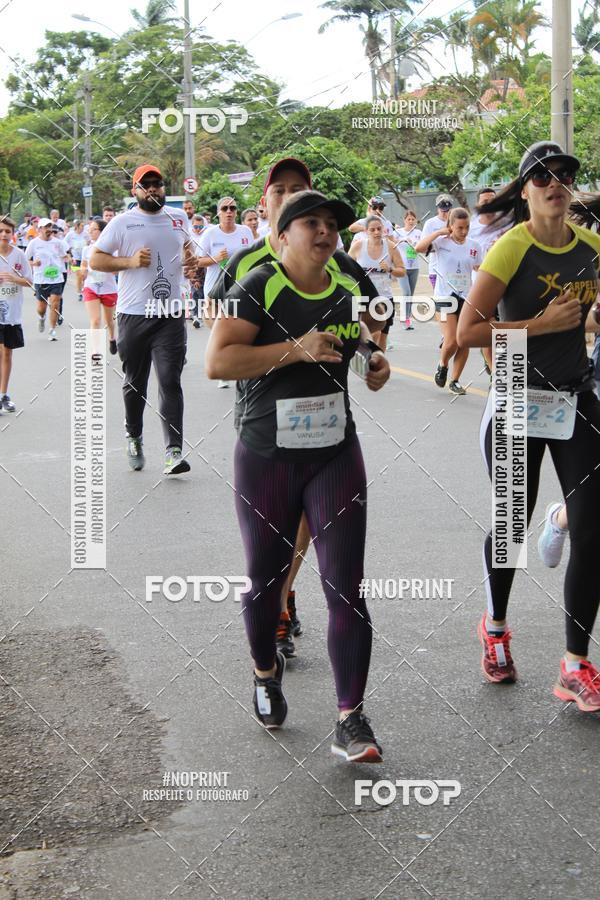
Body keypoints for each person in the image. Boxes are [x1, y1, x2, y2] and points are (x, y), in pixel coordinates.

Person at [205, 190, 390, 761]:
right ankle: (265, 673)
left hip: (335, 451)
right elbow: (218, 362)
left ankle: (351, 718)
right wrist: (294, 349)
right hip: (267, 457)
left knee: (345, 585)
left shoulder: (347, 287)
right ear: (282, 236)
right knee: (265, 581)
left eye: (331, 224)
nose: (324, 232)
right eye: (310, 223)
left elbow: (359, 345)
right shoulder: (257, 287)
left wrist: (372, 363)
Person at [457, 141, 600, 711]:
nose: (554, 182)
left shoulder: (592, 247)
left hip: (575, 399)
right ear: (525, 190)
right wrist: (541, 325)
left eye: (564, 174)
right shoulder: (510, 248)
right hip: (518, 396)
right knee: (512, 531)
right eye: (541, 175)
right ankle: (494, 629)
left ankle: (574, 664)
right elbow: (468, 332)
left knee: (592, 527)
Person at [90, 163, 196, 475]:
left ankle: (173, 451)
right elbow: (96, 259)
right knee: (135, 384)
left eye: (157, 183)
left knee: (170, 380)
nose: (153, 188)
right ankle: (134, 436)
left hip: (170, 315)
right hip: (133, 315)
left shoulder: (179, 218)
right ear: (135, 190)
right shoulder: (123, 223)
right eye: (145, 184)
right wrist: (130, 261)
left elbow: (188, 248)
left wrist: (190, 263)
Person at [416, 207, 481, 394]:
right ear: (451, 226)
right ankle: (442, 364)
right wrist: (438, 233)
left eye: (467, 227)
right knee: (452, 340)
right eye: (459, 227)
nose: (464, 231)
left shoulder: (474, 246)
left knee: (464, 341)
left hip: (466, 297)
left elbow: (480, 269)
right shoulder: (441, 243)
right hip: (445, 297)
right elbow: (418, 249)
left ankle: (455, 380)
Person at [195, 196, 253, 388]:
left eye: (233, 208)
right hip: (214, 288)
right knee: (219, 328)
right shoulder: (210, 234)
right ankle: (222, 370)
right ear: (218, 212)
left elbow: (252, 258)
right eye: (225, 208)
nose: (229, 211)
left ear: (236, 212)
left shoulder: (245, 232)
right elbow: (197, 261)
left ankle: (237, 367)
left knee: (238, 328)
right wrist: (214, 259)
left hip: (240, 287)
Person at [349, 215, 405, 351]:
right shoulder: (358, 246)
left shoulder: (390, 247)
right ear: (366, 231)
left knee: (382, 336)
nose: (376, 232)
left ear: (384, 230)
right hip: (364, 298)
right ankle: (368, 360)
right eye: (372, 230)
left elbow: (402, 271)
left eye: (379, 229)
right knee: (374, 333)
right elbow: (345, 268)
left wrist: (390, 269)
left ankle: (378, 363)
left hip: (385, 297)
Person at [0, 215, 32, 412]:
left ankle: (4, 395)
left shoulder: (19, 254)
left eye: (7, 231)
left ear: (13, 234)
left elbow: (29, 281)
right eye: (1, 231)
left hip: (11, 313)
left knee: (6, 353)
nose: (4, 234)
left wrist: (14, 278)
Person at [26, 217, 68, 341]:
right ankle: (41, 318)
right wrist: (34, 263)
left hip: (56, 278)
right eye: (46, 227)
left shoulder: (57, 242)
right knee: (41, 308)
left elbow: (64, 255)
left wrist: (69, 259)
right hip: (41, 279)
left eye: (50, 227)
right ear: (39, 229)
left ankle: (52, 330)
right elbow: (26, 259)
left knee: (55, 303)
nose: (48, 230)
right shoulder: (34, 243)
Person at [81, 218, 118, 355]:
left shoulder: (112, 249)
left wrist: (106, 265)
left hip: (109, 288)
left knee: (109, 321)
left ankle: (112, 337)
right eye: (89, 229)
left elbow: (116, 271)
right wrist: (83, 270)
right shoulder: (87, 249)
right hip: (91, 287)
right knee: (95, 320)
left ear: (102, 232)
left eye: (93, 229)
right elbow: (83, 265)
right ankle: (96, 351)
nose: (90, 232)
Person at [392, 210, 422, 329]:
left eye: (412, 219)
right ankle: (405, 318)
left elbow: (420, 246)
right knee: (406, 292)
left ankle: (408, 318)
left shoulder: (419, 232)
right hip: (402, 267)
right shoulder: (398, 232)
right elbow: (390, 241)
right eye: (408, 219)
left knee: (411, 294)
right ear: (404, 220)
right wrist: (400, 240)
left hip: (414, 267)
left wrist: (412, 242)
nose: (410, 221)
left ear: (415, 220)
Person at [420, 193, 454, 291]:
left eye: (448, 210)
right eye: (442, 210)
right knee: (441, 301)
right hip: (436, 270)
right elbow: (423, 246)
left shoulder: (455, 222)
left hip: (453, 269)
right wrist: (438, 234)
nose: (445, 213)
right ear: (437, 208)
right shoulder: (430, 223)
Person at [65, 220, 87, 301]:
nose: (83, 228)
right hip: (74, 259)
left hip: (84, 259)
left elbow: (89, 242)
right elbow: (64, 244)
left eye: (83, 226)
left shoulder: (85, 234)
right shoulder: (70, 234)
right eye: (82, 226)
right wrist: (69, 255)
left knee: (84, 276)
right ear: (77, 226)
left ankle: (84, 290)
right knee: (79, 275)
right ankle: (79, 293)